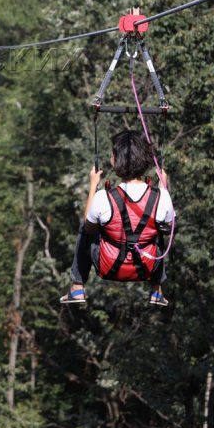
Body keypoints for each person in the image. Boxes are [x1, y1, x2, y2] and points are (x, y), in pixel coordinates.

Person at [60, 129, 173, 307]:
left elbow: (89, 229)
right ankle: (156, 289)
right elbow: (168, 228)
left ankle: (77, 286)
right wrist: (163, 187)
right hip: (147, 266)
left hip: (108, 263)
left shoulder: (104, 197)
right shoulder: (161, 197)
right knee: (157, 228)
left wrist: (93, 186)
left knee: (87, 226)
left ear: (117, 159)